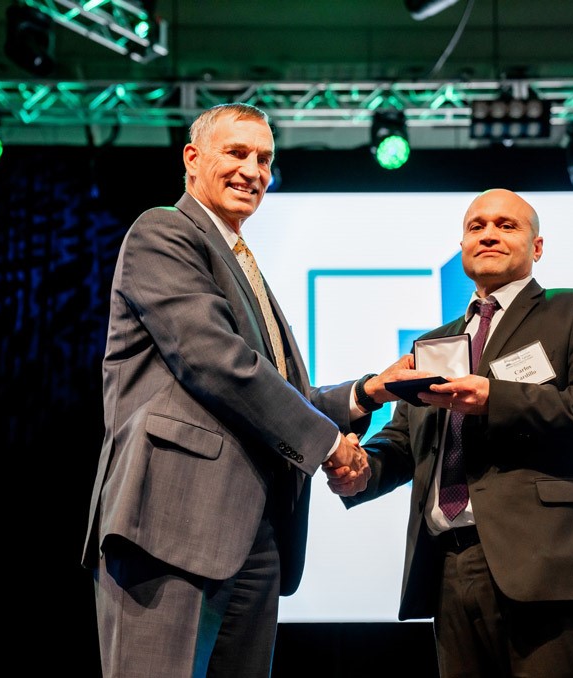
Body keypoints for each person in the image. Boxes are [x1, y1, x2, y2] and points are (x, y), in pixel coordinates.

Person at [82, 102, 420, 678]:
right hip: (171, 525)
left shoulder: (244, 262)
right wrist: (330, 447)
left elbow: (279, 395)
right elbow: (217, 364)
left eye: (264, 159)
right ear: (193, 159)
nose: (253, 171)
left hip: (256, 537)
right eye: (236, 153)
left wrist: (368, 391)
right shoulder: (164, 231)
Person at [325, 188, 573, 677]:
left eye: (506, 225)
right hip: (449, 569)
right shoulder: (434, 343)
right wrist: (363, 468)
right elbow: (408, 443)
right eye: (477, 226)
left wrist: (495, 398)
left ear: (536, 248)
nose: (489, 234)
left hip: (547, 565)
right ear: (463, 244)